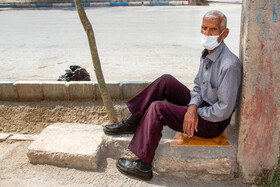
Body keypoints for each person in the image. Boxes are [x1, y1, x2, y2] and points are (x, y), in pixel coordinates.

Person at [103, 10, 242, 180]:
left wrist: (194, 112)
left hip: (212, 122)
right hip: (201, 107)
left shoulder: (229, 65)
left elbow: (223, 110)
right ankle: (135, 121)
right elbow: (198, 87)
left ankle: (143, 165)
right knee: (166, 81)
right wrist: (191, 106)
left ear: (224, 33)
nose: (206, 33)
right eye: (204, 28)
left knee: (157, 108)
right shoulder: (208, 53)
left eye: (213, 29)